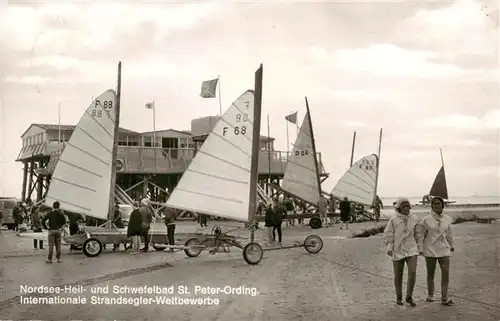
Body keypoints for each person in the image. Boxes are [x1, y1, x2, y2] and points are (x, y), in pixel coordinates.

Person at [383, 197, 423, 306]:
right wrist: (389, 247)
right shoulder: (393, 220)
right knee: (398, 275)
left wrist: (420, 248)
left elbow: (419, 234)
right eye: (403, 206)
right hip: (397, 250)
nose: (406, 208)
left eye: (407, 206)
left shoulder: (414, 218)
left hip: (412, 249)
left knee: (412, 272)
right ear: (399, 208)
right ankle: (399, 297)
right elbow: (388, 235)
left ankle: (409, 297)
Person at [420, 196, 455, 306]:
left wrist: (451, 245)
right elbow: (421, 235)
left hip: (443, 249)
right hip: (430, 249)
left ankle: (444, 298)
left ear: (442, 205)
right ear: (432, 206)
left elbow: (449, 234)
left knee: (445, 274)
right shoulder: (426, 220)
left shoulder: (447, 219)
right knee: (430, 273)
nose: (436, 205)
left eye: (438, 203)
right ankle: (430, 295)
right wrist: (420, 249)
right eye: (434, 204)